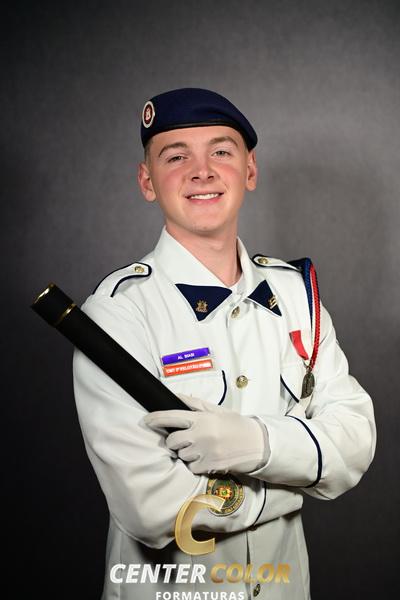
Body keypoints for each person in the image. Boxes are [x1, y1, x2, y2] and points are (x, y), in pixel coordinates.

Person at [73, 88, 376, 600]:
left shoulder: (296, 296)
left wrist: (256, 443)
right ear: (147, 181)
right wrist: (292, 484)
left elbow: (355, 439)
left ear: (249, 170)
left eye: (221, 151)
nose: (202, 171)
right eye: (176, 157)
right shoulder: (117, 314)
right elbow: (152, 508)